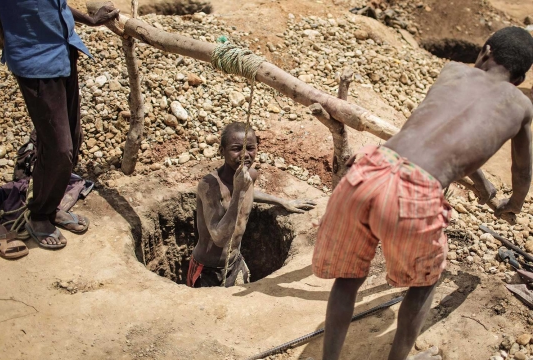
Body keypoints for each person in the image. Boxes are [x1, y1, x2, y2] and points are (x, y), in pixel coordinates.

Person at [312, 26, 533, 360]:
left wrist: (483, 182)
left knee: (348, 277)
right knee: (425, 283)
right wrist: (511, 205)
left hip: (370, 167)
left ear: (485, 52)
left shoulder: (454, 71)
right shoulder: (521, 104)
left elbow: (437, 128)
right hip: (415, 193)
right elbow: (523, 170)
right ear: (520, 78)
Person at [0, 2, 119, 249]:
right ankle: (39, 214)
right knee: (59, 149)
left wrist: (90, 20)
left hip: (63, 51)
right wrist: (2, 20)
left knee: (72, 137)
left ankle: (50, 206)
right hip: (35, 61)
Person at [188, 122, 316, 287]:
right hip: (208, 269)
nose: (244, 154)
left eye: (250, 148)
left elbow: (250, 193)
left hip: (235, 262)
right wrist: (238, 193)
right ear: (222, 151)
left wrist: (282, 201)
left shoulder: (250, 176)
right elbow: (219, 238)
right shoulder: (210, 186)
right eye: (236, 149)